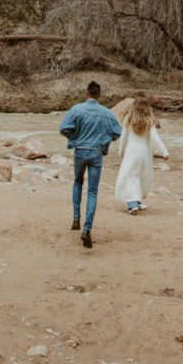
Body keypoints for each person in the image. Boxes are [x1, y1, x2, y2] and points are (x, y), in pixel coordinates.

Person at [59, 81, 121, 248]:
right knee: (92, 191)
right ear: (99, 95)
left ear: (86, 93)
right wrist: (104, 140)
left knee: (77, 182)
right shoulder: (107, 113)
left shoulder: (76, 109)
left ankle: (76, 219)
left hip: (80, 150)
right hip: (96, 153)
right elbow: (117, 132)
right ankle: (87, 229)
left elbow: (64, 128)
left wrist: (74, 138)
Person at [114, 97, 169, 215]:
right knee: (142, 176)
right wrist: (164, 152)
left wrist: (121, 152)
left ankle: (133, 204)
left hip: (131, 152)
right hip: (145, 153)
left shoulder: (128, 118)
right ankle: (138, 201)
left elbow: (123, 138)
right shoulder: (149, 119)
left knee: (129, 176)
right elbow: (155, 138)